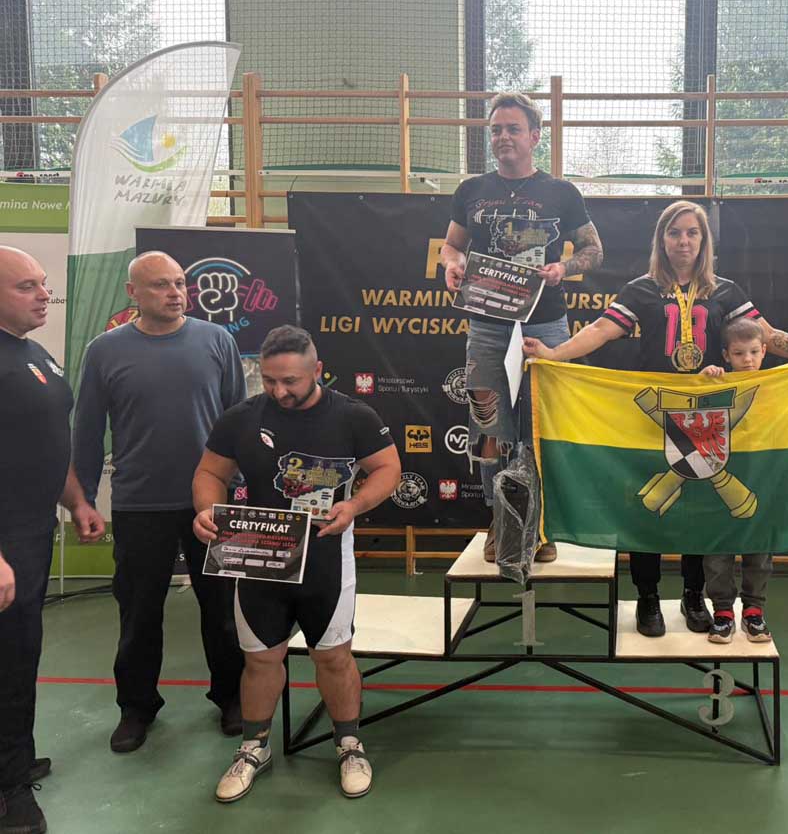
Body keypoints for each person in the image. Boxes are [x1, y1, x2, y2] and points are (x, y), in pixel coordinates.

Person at [523, 200, 788, 638]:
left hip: (706, 419)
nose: (683, 241)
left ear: (704, 240)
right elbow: (600, 330)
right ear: (661, 239)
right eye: (674, 232)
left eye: (692, 232)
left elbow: (765, 336)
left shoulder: (725, 291)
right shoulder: (641, 289)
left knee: (697, 507)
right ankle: (648, 597)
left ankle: (694, 596)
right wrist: (553, 355)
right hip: (654, 415)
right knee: (648, 509)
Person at [192, 325, 402, 803]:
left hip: (326, 555)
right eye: (269, 380)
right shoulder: (241, 418)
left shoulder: (354, 415)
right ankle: (254, 747)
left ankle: (349, 744)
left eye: (290, 381)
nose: (278, 391)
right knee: (261, 659)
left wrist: (355, 505)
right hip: (258, 554)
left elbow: (388, 468)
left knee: (333, 656)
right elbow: (209, 472)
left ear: (317, 370)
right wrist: (207, 509)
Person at [73, 251, 246, 753]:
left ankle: (232, 696)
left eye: (180, 283)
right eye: (161, 285)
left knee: (221, 609)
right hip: (139, 504)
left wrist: (242, 491)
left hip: (211, 504)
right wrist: (84, 500)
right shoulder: (104, 351)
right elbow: (88, 431)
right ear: (133, 293)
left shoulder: (218, 340)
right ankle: (136, 707)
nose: (175, 293)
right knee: (139, 612)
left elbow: (239, 421)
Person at [439, 92, 603, 564]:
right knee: (489, 431)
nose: (503, 137)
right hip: (487, 327)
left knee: (541, 430)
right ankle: (502, 523)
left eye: (513, 128)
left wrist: (563, 268)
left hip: (545, 327)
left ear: (535, 136)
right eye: (496, 129)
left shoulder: (562, 192)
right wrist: (451, 264)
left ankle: (540, 526)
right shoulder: (471, 190)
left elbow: (594, 251)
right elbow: (451, 246)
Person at [0, 246, 104, 834]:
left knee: (20, 655)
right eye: (26, 286)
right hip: (3, 541)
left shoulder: (34, 353)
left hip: (34, 531)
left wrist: (78, 500)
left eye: (43, 283)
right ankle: (8, 790)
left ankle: (13, 758)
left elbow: (47, 439)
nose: (44, 295)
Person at [698, 316, 774, 644]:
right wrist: (703, 381)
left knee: (760, 549)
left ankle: (754, 611)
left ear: (764, 351)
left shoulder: (778, 385)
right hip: (721, 483)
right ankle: (723, 612)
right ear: (726, 355)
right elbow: (694, 413)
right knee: (718, 550)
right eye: (739, 353)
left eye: (754, 352)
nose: (748, 360)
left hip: (760, 480)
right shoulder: (716, 383)